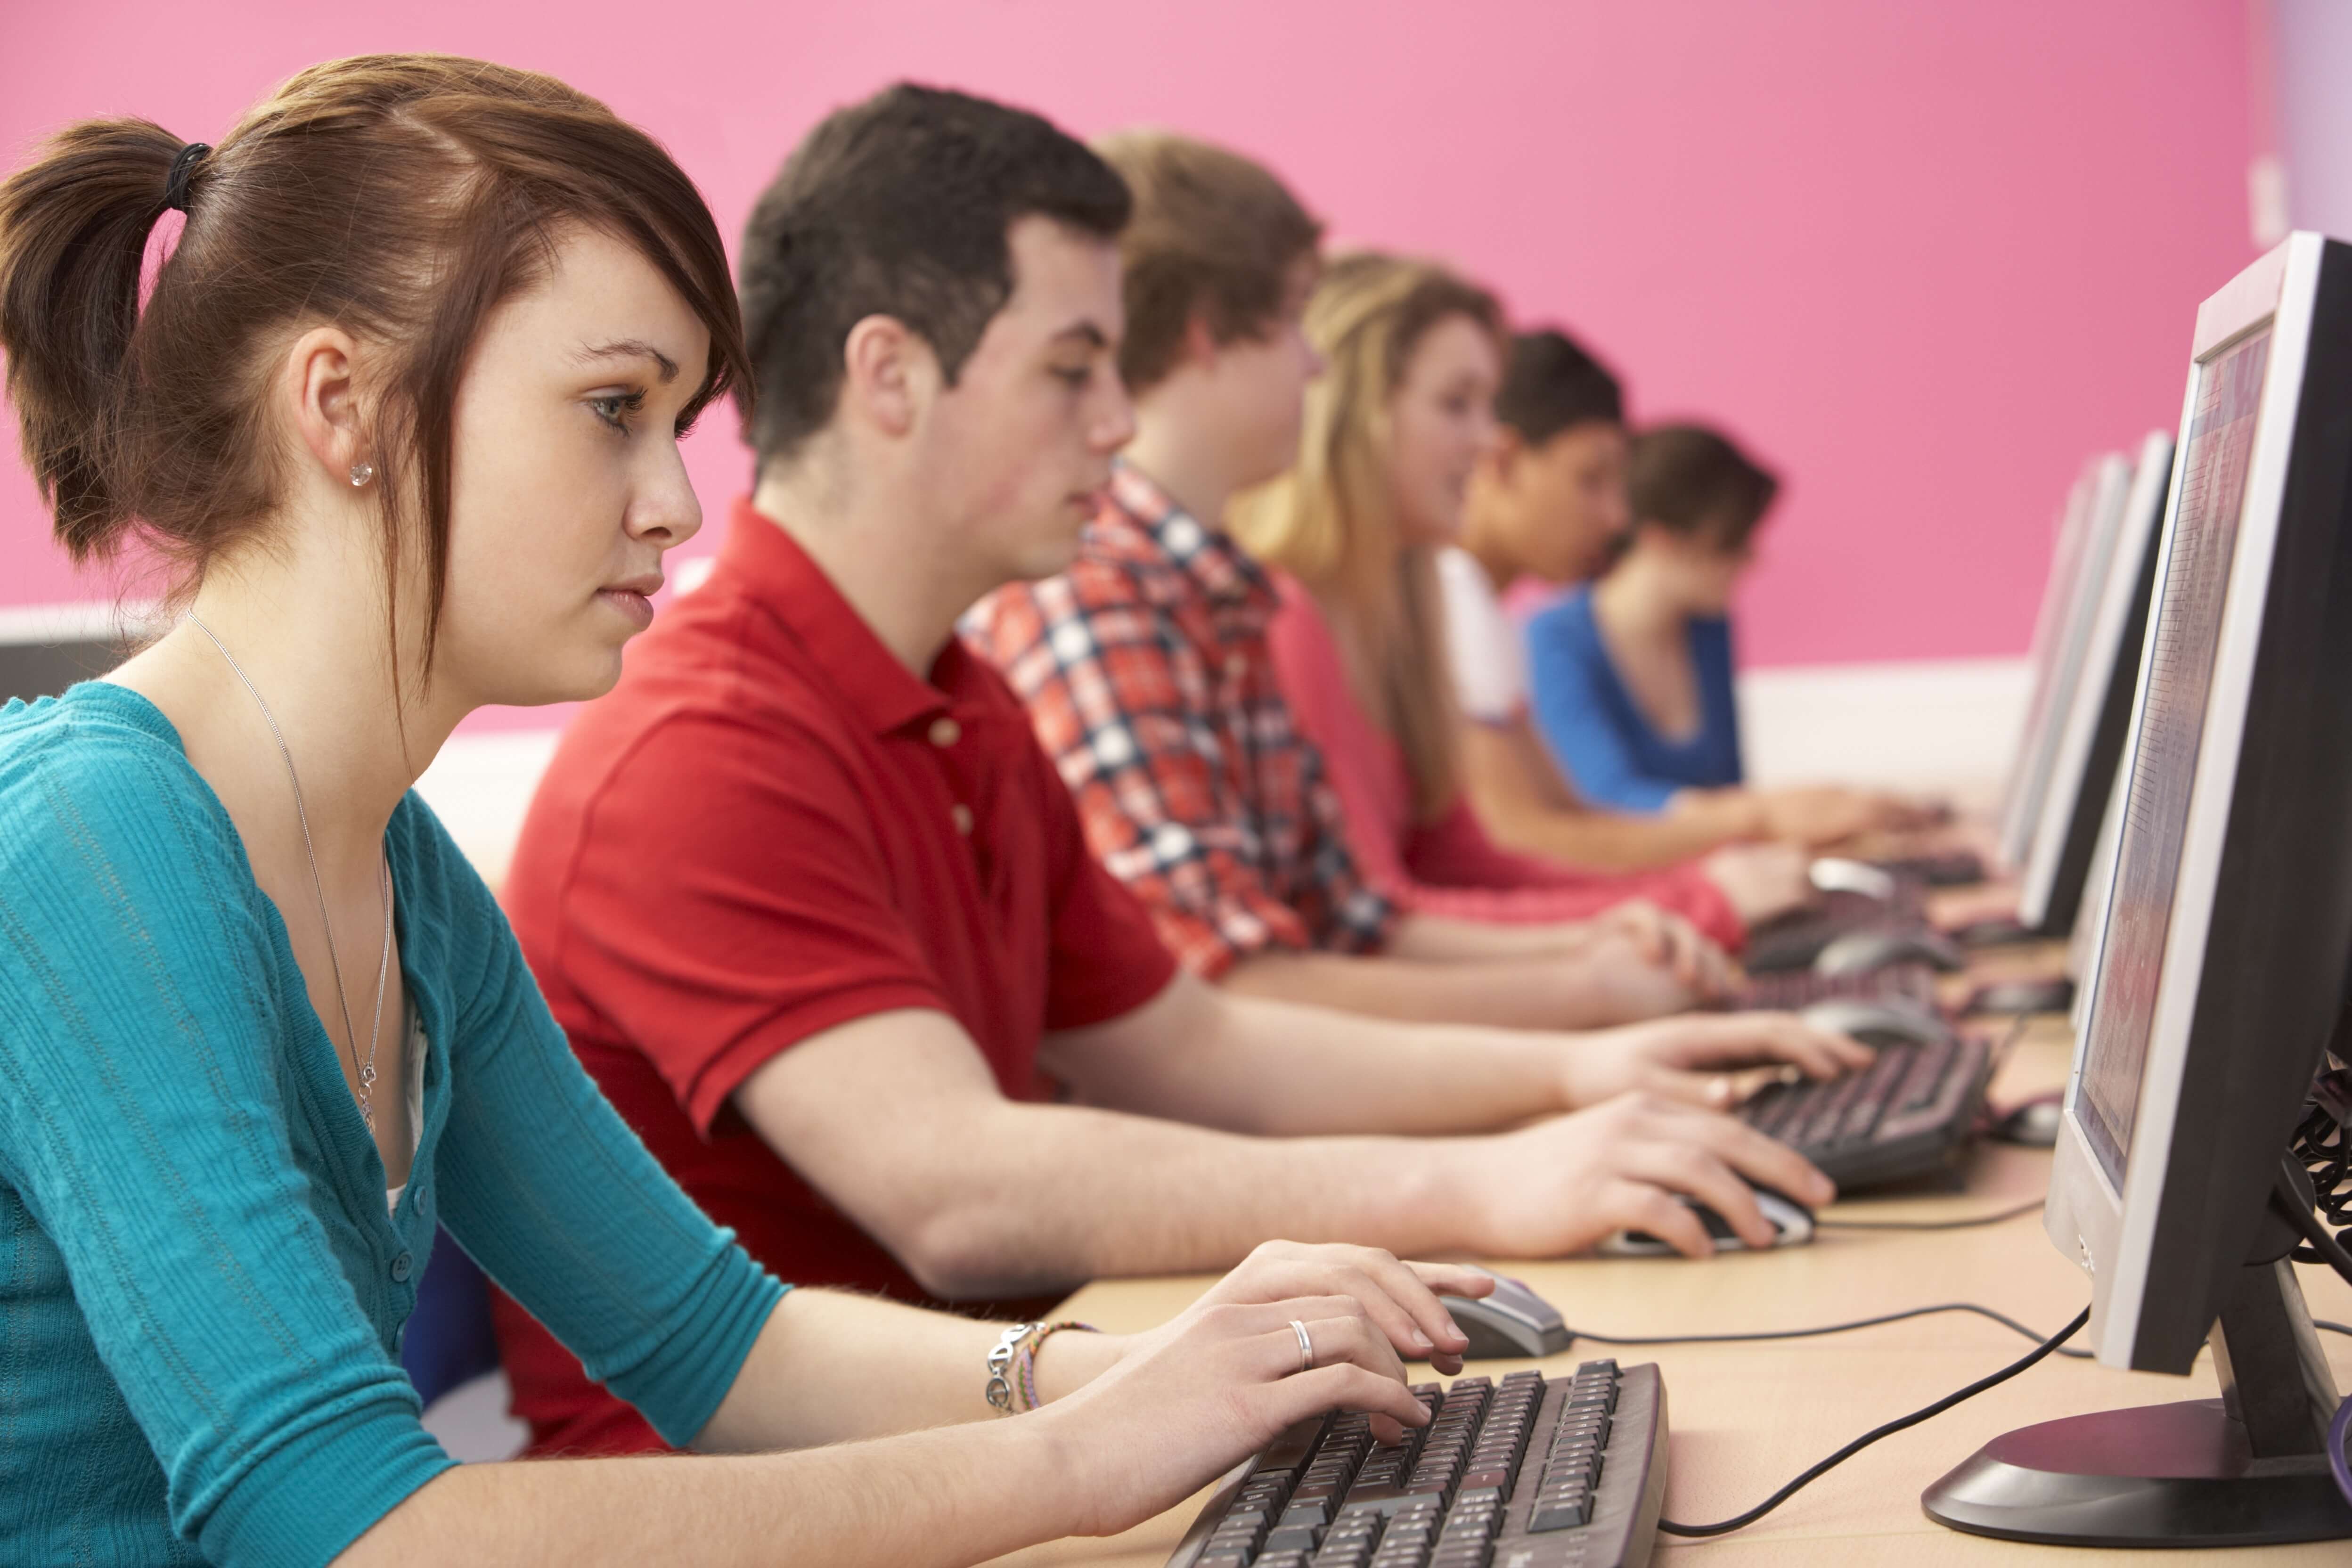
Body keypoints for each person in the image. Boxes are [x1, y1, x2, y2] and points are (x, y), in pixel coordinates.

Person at [0, 57, 1523, 1568]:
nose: (675, 501)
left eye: (673, 420)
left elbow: (717, 1336)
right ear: (344, 405)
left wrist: (1154, 1372)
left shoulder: (401, 869)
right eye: (613, 407)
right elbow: (357, 1525)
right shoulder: (90, 843)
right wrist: (1074, 1456)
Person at [488, 94, 1860, 1458]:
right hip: (788, 1496)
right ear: (890, 374)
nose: (1119, 420)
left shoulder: (961, 702)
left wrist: (1578, 1073)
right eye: (1073, 367)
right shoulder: (701, 745)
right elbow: (957, 1188)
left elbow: (1199, 1047)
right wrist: (1486, 1182)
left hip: (992, 1430)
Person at [970, 132, 1771, 1029]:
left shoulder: (1231, 595)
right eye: (1292, 319)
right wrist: (1602, 986)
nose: (1313, 364)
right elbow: (1229, 988)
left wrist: (1626, 939)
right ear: (1207, 333)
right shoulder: (1124, 595)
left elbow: (1355, 919)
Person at [1225, 257, 1812, 943]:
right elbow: (1394, 915)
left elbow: (1468, 859)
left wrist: (1691, 896)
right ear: (1351, 414)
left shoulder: (1411, 608)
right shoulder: (1291, 618)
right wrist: (1702, 899)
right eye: (1456, 404)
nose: (1486, 441)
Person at [1446, 330, 1807, 878]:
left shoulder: (1485, 616)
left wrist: (1761, 832)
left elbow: (1574, 820)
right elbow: (1524, 840)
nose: (1618, 518)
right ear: (1504, 461)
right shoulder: (1467, 608)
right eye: (1590, 479)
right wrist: (1760, 825)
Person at [1527, 423, 1931, 845]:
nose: (1753, 561)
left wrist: (1821, 812)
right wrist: (1773, 811)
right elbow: (1606, 799)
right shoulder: (1555, 640)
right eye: (1732, 543)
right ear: (1661, 540)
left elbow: (1732, 789)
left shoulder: (1709, 627)